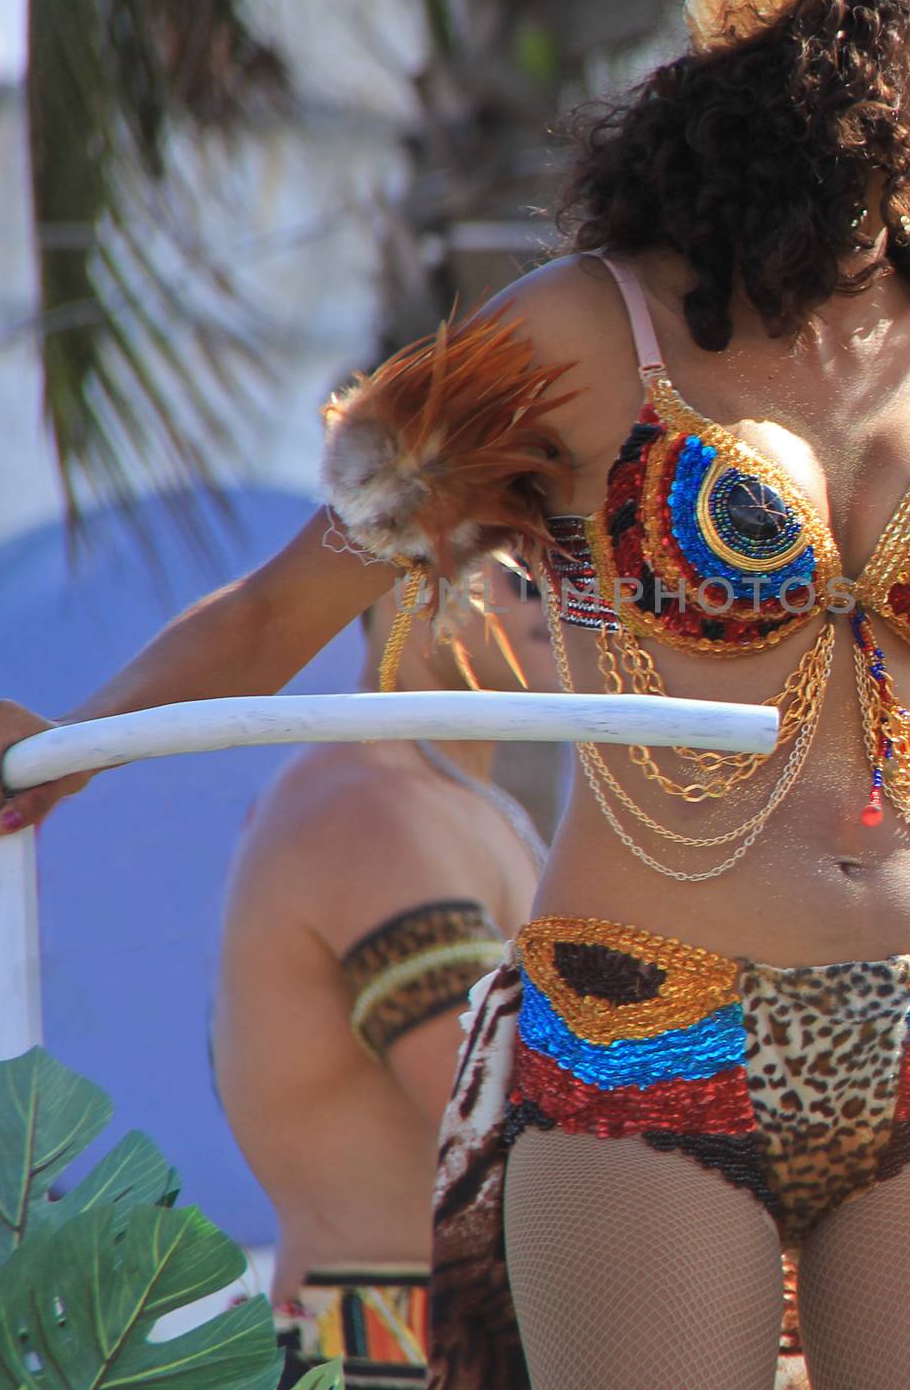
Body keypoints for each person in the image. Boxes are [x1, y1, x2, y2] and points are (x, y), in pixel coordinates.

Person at [0, 0, 910, 1386]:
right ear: (823, 48)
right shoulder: (586, 339)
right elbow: (277, 609)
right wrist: (72, 742)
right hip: (645, 1038)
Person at [213, 569, 556, 1387]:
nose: (550, 590)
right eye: (512, 569)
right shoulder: (371, 809)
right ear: (394, 576)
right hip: (387, 1358)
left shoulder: (453, 799)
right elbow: (490, 1116)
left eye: (563, 555)